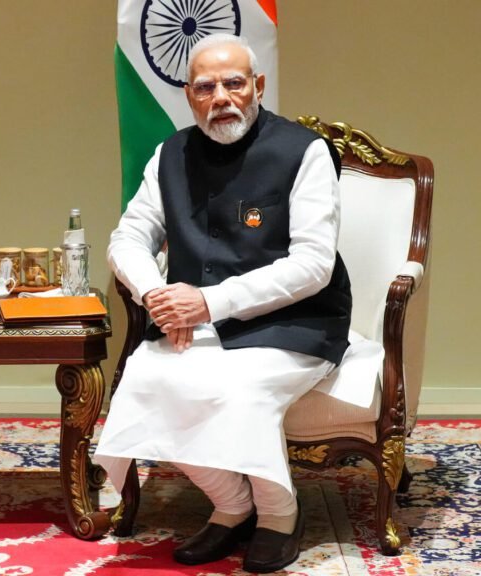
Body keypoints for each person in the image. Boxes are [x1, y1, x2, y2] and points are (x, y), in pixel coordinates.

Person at [94, 34, 352, 574]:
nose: (222, 97)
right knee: (149, 380)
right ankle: (232, 508)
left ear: (257, 86)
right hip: (192, 319)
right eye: (206, 87)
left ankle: (280, 515)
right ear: (189, 95)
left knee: (237, 389)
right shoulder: (170, 154)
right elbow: (128, 238)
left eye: (234, 83)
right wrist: (157, 296)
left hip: (295, 323)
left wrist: (208, 302)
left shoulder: (303, 151)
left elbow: (313, 265)